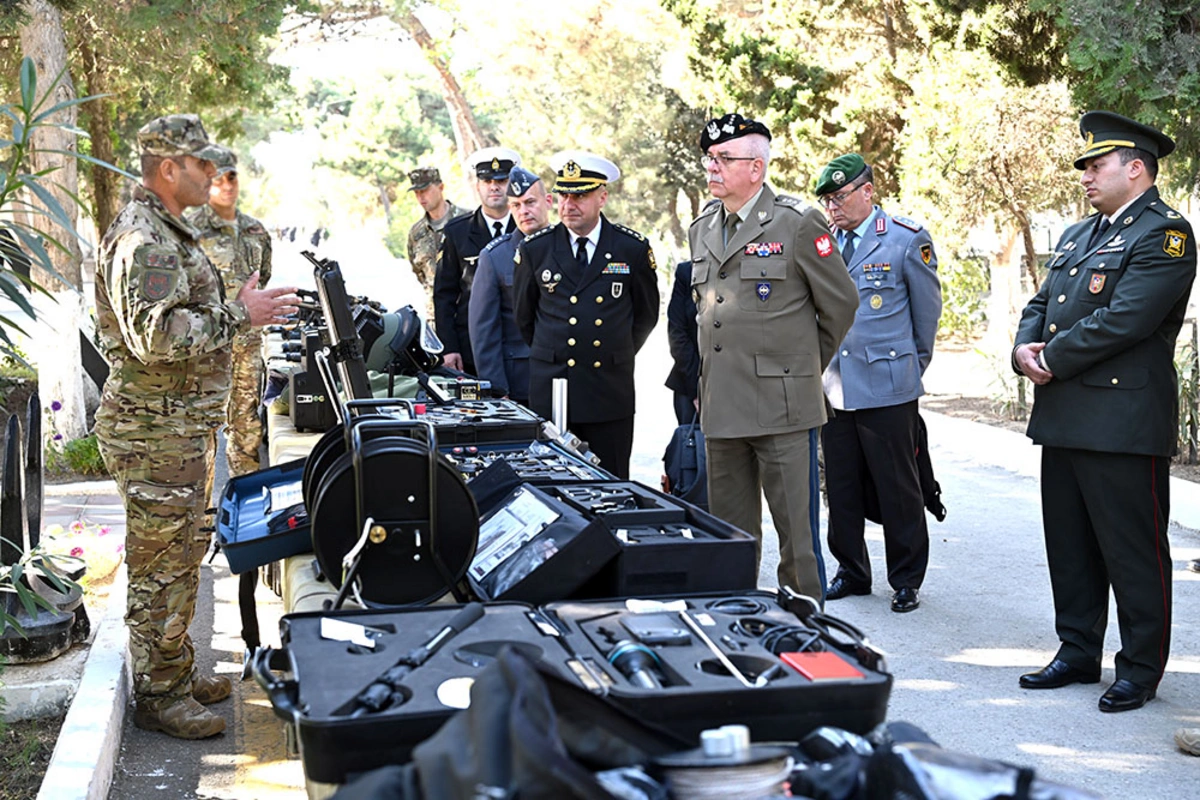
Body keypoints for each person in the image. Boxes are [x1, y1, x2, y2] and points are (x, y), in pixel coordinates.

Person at [94, 115, 298, 739]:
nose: (212, 175)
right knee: (162, 567)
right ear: (167, 170)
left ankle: (176, 674)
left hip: (176, 427)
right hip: (152, 433)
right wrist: (242, 314)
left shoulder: (168, 230)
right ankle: (158, 697)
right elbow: (156, 337)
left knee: (182, 560)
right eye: (200, 164)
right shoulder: (145, 239)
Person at [1014, 111, 1196, 713]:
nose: (1086, 176)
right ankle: (1077, 650)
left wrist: (1053, 357)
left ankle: (1141, 668)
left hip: (1122, 419)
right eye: (1086, 167)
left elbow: (1128, 319)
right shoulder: (1076, 234)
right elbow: (1041, 303)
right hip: (1064, 412)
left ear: (1136, 169)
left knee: (1132, 550)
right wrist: (1023, 348)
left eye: (1098, 165)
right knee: (1069, 544)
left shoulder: (1165, 234)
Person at [688, 113, 857, 599]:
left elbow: (840, 304)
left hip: (782, 409)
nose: (712, 168)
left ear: (756, 168)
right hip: (721, 406)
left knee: (798, 544)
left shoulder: (797, 223)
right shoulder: (703, 228)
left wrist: (799, 370)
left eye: (724, 159)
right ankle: (737, 631)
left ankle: (810, 644)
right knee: (730, 539)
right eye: (710, 159)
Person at [815, 154, 943, 614]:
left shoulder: (906, 240)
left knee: (898, 486)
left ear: (868, 191)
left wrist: (909, 369)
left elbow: (926, 316)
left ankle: (906, 578)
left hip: (888, 383)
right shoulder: (823, 242)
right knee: (842, 485)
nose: (833, 207)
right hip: (833, 385)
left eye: (840, 196)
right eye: (827, 200)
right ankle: (851, 569)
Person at [514, 150, 659, 479]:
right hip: (553, 389)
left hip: (607, 389)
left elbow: (645, 316)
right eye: (564, 195)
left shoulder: (630, 249)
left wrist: (613, 351)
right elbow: (525, 318)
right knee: (550, 483)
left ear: (602, 197)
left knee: (611, 483)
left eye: (579, 195)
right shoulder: (536, 249)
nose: (568, 204)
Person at [186, 146, 273, 479]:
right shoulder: (190, 233)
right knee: (203, 431)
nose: (226, 185)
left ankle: (243, 504)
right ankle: (202, 516)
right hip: (207, 348)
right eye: (218, 178)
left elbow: (261, 278)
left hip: (247, 346)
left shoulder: (256, 231)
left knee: (247, 427)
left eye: (231, 177)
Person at [468, 166, 552, 404]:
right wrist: (496, 388)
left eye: (530, 202)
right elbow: (483, 330)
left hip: (567, 379)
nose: (524, 211)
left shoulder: (568, 247)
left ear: (548, 201)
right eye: (516, 205)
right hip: (519, 382)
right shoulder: (495, 256)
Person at [435, 147, 520, 374]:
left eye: (502, 180)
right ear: (478, 186)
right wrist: (449, 347)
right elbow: (444, 295)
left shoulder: (528, 229)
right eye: (487, 180)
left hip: (519, 347)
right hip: (470, 348)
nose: (494, 186)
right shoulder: (457, 232)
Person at [406, 166, 466, 304]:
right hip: (435, 315)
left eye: (425, 190)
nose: (421, 197)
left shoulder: (467, 220)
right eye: (416, 192)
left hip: (468, 309)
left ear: (441, 187)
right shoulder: (416, 233)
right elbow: (419, 273)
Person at [665, 260, 700, 424]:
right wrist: (697, 390)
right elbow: (677, 333)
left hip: (741, 385)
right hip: (690, 379)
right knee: (693, 445)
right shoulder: (687, 271)